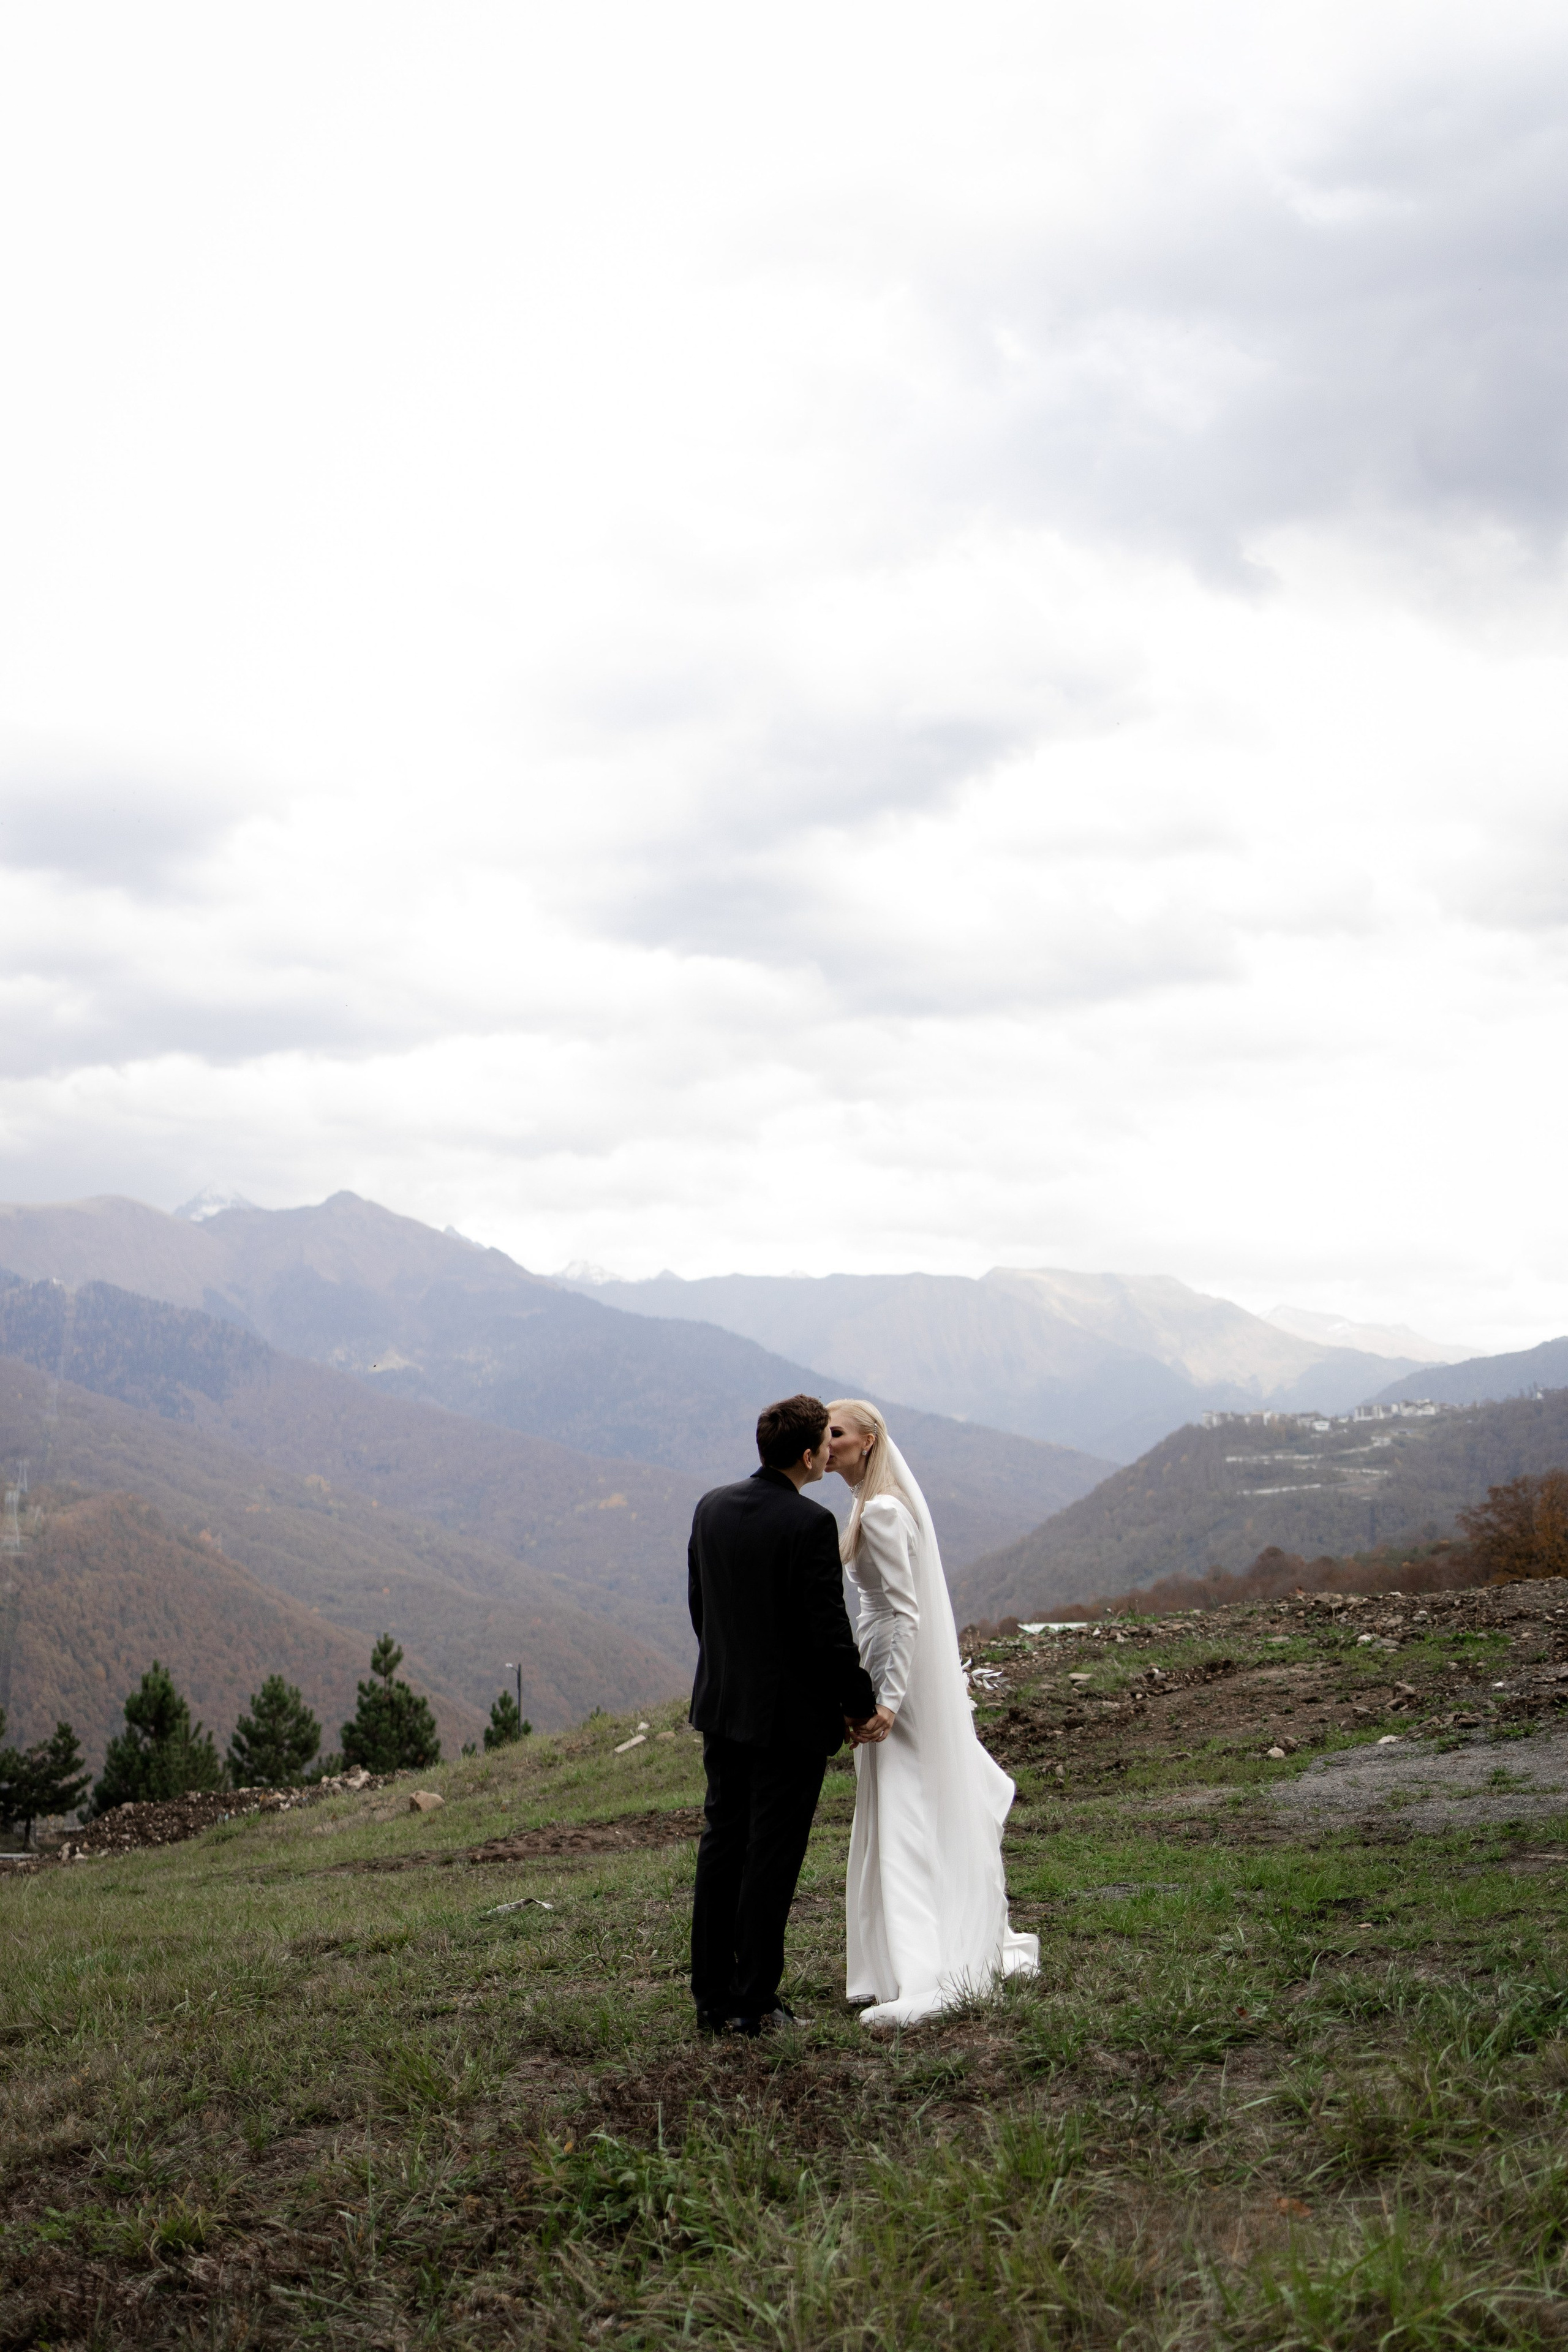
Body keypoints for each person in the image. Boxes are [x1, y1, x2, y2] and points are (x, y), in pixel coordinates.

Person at [827, 1398, 1040, 2027]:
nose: (827, 1445)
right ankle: (903, 1950)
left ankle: (920, 1958)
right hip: (888, 1662)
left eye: (837, 1434)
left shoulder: (886, 1511)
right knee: (900, 1795)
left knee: (903, 1799)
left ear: (868, 1441)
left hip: (900, 1675)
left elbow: (902, 1610)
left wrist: (886, 1699)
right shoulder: (870, 1503)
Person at [687, 1393, 884, 2035]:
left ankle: (712, 1997)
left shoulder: (711, 1507)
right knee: (770, 1861)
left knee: (721, 1851)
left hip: (723, 1707)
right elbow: (828, 1634)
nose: (831, 1450)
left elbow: (702, 1610)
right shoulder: (807, 1525)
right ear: (807, 1455)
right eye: (824, 1442)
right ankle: (754, 2003)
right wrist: (859, 1705)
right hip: (786, 1724)